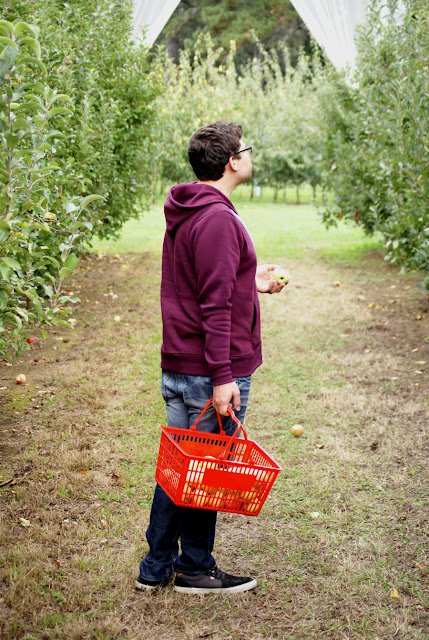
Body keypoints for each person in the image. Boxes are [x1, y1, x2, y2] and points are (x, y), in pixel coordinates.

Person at [136, 122, 286, 595]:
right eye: (245, 149)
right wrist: (223, 376)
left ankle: (156, 566)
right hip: (207, 371)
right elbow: (214, 305)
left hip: (182, 363)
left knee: (182, 467)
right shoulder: (218, 217)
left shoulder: (191, 207)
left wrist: (251, 281)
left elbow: (204, 281)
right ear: (231, 162)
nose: (248, 154)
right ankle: (195, 569)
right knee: (203, 471)